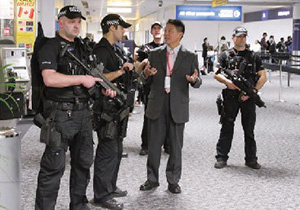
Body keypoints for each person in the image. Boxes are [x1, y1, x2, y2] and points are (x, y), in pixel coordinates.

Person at [34, 5, 115, 210]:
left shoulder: (83, 47)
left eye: (79, 21)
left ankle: (78, 205)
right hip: (59, 115)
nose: (76, 25)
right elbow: (49, 78)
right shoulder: (50, 46)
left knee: (83, 165)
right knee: (53, 168)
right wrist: (82, 79)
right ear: (60, 22)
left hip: (83, 114)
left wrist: (103, 88)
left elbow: (92, 78)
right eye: (71, 21)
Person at [139, 19, 201, 194]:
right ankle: (152, 179)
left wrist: (194, 80)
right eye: (165, 31)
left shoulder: (190, 56)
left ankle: (173, 181)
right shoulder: (155, 53)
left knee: (175, 147)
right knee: (153, 146)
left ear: (180, 35)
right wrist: (146, 73)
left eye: (170, 31)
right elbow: (144, 80)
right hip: (157, 103)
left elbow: (198, 81)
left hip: (177, 106)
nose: (165, 34)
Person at [91, 14, 134, 210]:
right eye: (121, 28)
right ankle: (101, 196)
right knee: (107, 151)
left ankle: (110, 186)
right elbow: (97, 77)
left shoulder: (112, 49)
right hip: (105, 109)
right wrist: (121, 71)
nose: (123, 31)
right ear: (112, 28)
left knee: (116, 151)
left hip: (116, 108)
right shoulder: (101, 49)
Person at [213, 26, 267, 170]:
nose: (241, 38)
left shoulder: (254, 56)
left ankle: (251, 159)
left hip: (248, 98)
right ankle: (221, 157)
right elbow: (216, 73)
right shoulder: (226, 55)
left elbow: (263, 76)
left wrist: (253, 91)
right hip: (230, 97)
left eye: (244, 36)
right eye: (239, 36)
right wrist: (228, 83)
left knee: (249, 129)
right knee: (227, 126)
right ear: (233, 38)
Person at [135, 21, 168, 156]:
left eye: (159, 28)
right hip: (150, 86)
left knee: (167, 116)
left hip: (166, 86)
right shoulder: (145, 48)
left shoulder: (169, 47)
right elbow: (137, 68)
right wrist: (145, 62)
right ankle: (146, 145)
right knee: (149, 116)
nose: (157, 30)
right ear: (151, 31)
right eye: (154, 28)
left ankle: (167, 144)